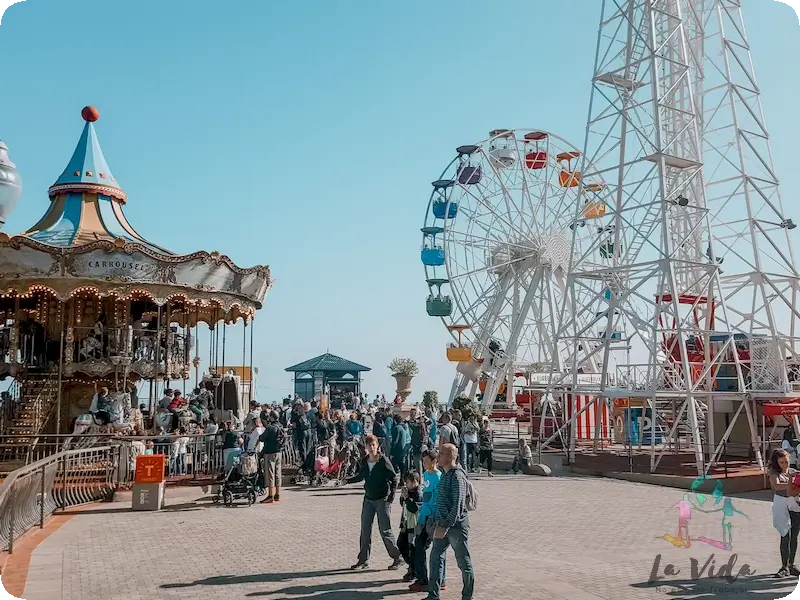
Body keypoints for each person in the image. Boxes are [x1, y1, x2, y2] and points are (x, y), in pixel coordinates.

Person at [424, 443, 474, 600]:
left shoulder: (457, 476)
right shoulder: (444, 474)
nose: (438, 456)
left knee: (463, 562)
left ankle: (467, 596)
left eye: (442, 454)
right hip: (441, 525)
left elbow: (457, 506)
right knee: (435, 558)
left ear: (451, 456)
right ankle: (433, 594)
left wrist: (445, 526)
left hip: (456, 527)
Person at [347, 434, 404, 571]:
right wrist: (347, 480)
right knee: (365, 530)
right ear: (365, 447)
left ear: (377, 446)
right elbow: (361, 476)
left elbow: (394, 477)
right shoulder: (365, 461)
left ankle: (398, 557)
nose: (371, 448)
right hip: (369, 499)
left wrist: (391, 497)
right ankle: (363, 560)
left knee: (385, 530)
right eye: (369, 445)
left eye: (373, 445)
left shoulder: (383, 460)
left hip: (382, 499)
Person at [408, 448, 447, 594]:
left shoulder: (438, 477)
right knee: (420, 548)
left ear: (435, 461)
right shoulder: (425, 474)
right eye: (423, 461)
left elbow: (434, 500)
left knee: (435, 549)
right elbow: (425, 499)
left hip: (433, 519)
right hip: (424, 517)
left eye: (426, 461)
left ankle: (434, 580)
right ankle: (425, 578)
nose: (424, 464)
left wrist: (428, 518)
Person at [769, 448, 800, 577]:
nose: (785, 465)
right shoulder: (773, 473)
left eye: (786, 461)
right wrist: (790, 481)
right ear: (776, 462)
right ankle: (784, 566)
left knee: (794, 536)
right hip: (781, 505)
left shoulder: (792, 471)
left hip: (795, 504)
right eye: (781, 462)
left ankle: (792, 565)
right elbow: (777, 486)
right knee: (785, 534)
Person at [398, 470, 422, 582]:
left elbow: (413, 508)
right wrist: (403, 497)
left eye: (407, 482)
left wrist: (407, 498)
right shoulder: (409, 491)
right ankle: (412, 566)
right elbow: (403, 505)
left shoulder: (418, 494)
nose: (406, 484)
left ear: (415, 481)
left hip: (414, 525)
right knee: (401, 544)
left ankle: (413, 570)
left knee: (412, 548)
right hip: (406, 524)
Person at [260, 410, 286, 504]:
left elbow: (262, 438)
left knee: (270, 474)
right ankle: (277, 494)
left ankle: (270, 496)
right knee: (278, 473)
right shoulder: (280, 426)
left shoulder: (270, 428)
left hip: (270, 453)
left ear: (271, 417)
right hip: (279, 452)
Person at [391, 414, 412, 478]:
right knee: (402, 465)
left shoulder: (397, 428)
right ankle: (402, 479)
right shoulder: (404, 426)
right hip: (403, 448)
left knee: (393, 465)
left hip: (397, 450)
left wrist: (391, 451)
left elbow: (395, 440)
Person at [408, 411, 428, 475]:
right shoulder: (423, 424)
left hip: (417, 445)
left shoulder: (418, 425)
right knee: (422, 462)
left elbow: (411, 424)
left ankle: (419, 479)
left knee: (417, 463)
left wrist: (411, 419)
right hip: (422, 445)